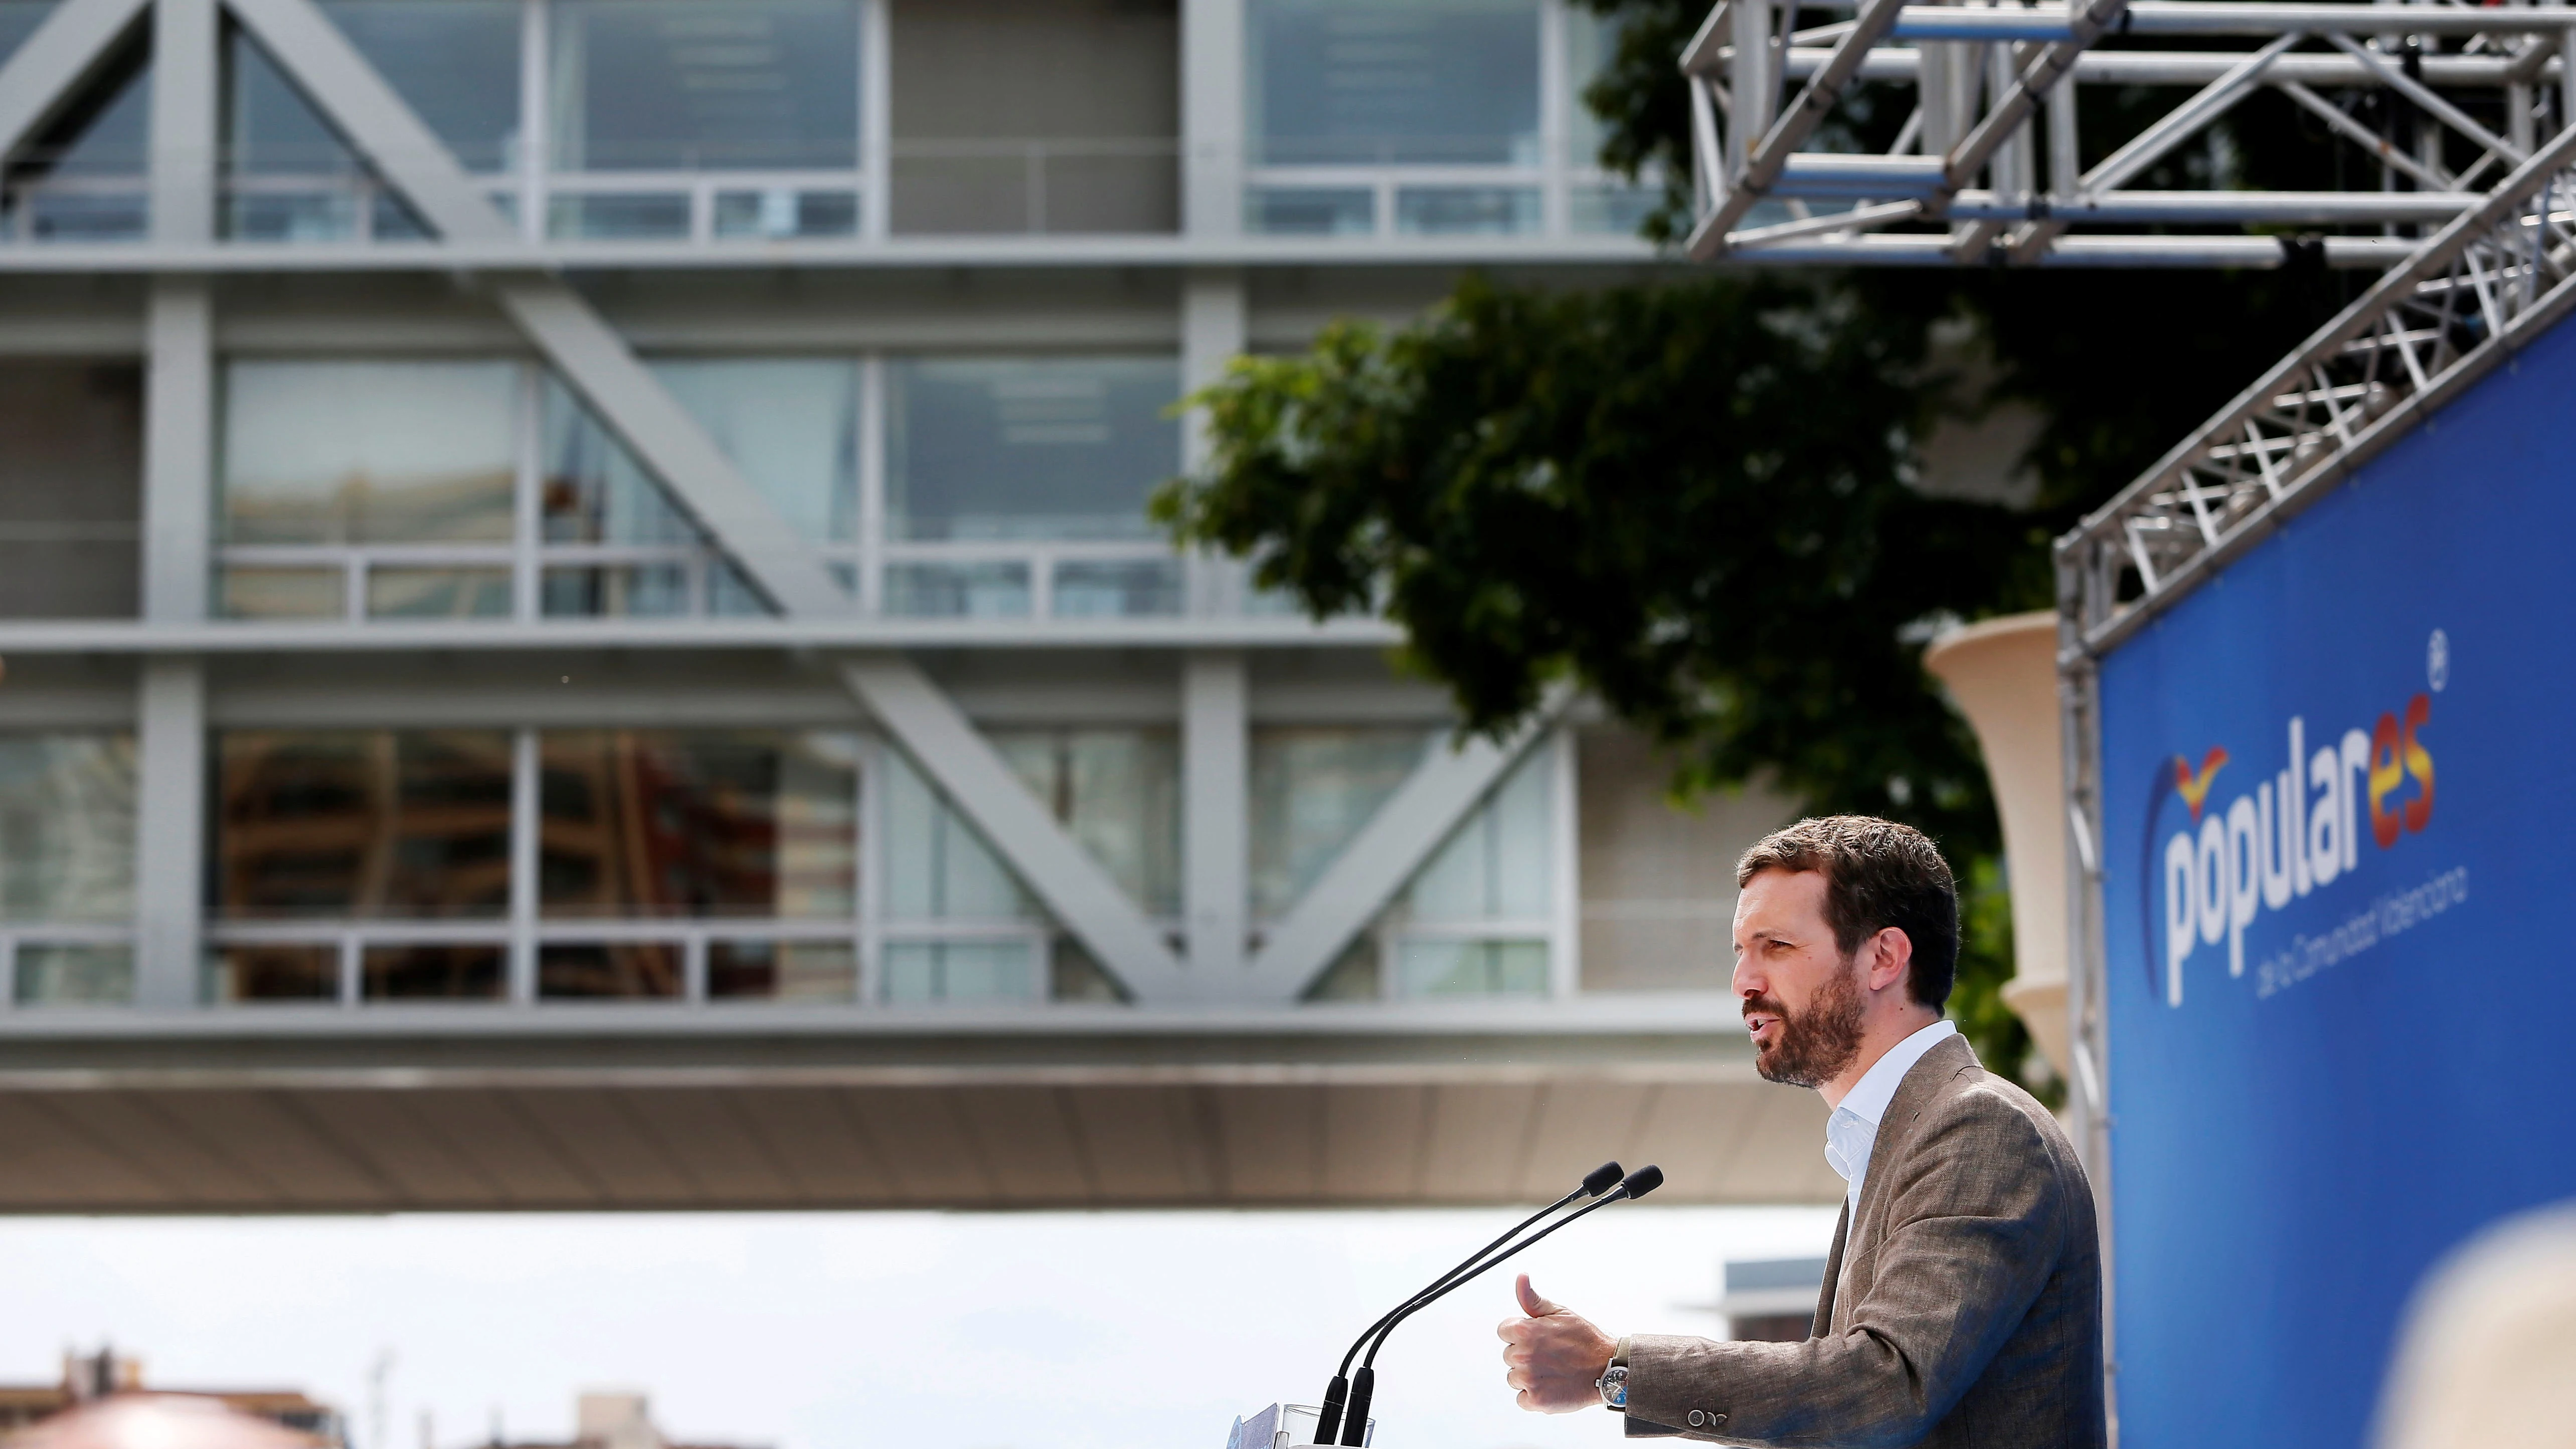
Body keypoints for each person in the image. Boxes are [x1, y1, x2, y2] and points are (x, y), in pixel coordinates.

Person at [1497, 815, 2104, 1447]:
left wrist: (1613, 1368)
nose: (1743, 982)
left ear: (1884, 958)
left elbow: (1887, 1385)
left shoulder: (1979, 1129)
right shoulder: (1899, 1138)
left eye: (1776, 947)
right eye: (1740, 951)